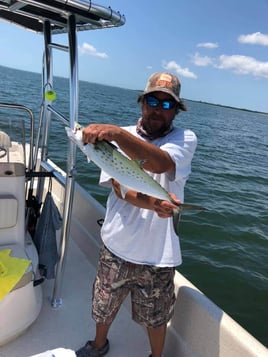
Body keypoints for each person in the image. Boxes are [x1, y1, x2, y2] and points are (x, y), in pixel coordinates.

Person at [76, 72, 197, 357]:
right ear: (142, 103)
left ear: (176, 111)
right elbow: (119, 187)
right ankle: (98, 345)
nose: (157, 109)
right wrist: (152, 204)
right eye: (152, 101)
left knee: (156, 316)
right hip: (116, 243)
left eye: (167, 105)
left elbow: (160, 163)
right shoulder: (116, 138)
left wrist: (118, 134)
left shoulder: (185, 139)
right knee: (104, 302)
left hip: (158, 253)